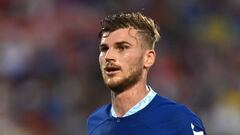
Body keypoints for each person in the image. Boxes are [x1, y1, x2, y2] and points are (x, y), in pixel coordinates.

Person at [87, 12, 206, 135]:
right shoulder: (96, 121)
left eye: (122, 47)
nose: (108, 56)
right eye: (104, 49)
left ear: (148, 58)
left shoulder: (178, 120)